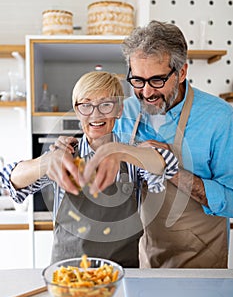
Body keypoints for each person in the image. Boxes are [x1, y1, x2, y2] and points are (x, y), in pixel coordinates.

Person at [78, 20, 233, 268]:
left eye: (157, 80)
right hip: (142, 260)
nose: (147, 92)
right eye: (137, 80)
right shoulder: (123, 112)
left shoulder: (219, 118)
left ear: (181, 72)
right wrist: (71, 149)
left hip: (202, 264)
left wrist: (170, 170)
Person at [0, 71, 178, 267]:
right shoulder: (64, 156)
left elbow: (165, 164)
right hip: (68, 276)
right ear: (77, 112)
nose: (96, 114)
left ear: (119, 110)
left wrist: (118, 151)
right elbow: (9, 179)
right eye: (86, 105)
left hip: (121, 275)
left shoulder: (132, 155)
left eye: (106, 104)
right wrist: (46, 162)